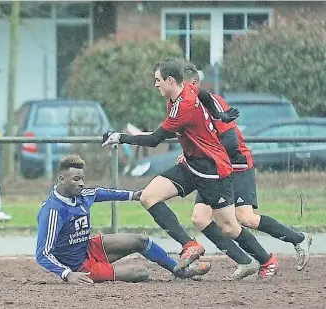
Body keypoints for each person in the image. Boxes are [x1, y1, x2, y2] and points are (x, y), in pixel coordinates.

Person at [102, 60, 279, 280]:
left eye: (158, 80)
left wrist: (120, 137)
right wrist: (218, 114)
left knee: (229, 227)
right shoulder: (185, 91)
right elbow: (204, 94)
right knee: (148, 196)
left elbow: (155, 140)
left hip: (212, 170)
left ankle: (266, 261)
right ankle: (190, 245)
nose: (155, 84)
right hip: (191, 165)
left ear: (170, 80)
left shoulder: (183, 105)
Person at [182, 63, 312, 272]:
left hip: (236, 165)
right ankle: (245, 261)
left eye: (182, 86)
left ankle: (299, 239)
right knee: (200, 218)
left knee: (245, 218)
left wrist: (206, 154)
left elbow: (231, 142)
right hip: (215, 170)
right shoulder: (186, 108)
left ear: (194, 84)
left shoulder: (212, 103)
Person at [36, 154, 211, 284]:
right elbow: (43, 254)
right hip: (80, 268)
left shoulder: (82, 195)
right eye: (76, 179)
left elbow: (100, 192)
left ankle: (180, 271)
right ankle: (175, 272)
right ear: (61, 179)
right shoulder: (52, 211)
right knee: (141, 273)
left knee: (141, 240)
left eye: (82, 179)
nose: (81, 183)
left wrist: (133, 195)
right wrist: (67, 274)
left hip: (89, 248)